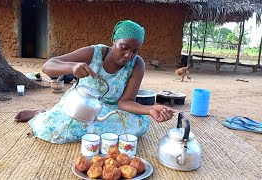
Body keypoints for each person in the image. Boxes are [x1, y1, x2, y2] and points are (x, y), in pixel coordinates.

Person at [15, 20, 175, 144]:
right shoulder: (94, 53)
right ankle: (42, 114)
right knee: (52, 130)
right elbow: (48, 66)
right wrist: (72, 67)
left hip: (109, 110)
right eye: (124, 47)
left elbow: (125, 102)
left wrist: (150, 109)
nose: (128, 56)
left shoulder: (137, 64)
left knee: (137, 127)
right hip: (80, 105)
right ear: (114, 40)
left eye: (135, 51)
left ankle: (65, 120)